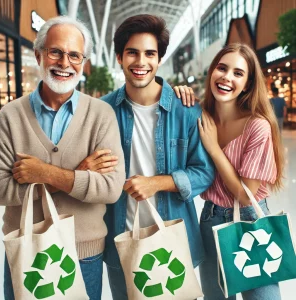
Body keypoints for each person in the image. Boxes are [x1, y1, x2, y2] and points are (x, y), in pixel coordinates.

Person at [0, 16, 125, 300]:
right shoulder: (10, 116)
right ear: (39, 54)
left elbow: (111, 187)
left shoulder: (101, 115)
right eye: (56, 51)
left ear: (83, 62)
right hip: (25, 248)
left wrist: (44, 173)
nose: (65, 63)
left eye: (74, 55)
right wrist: (79, 175)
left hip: (85, 252)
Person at [99, 14, 215, 300]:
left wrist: (157, 183)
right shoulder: (102, 112)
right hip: (121, 238)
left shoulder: (185, 110)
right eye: (132, 53)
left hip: (174, 240)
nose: (141, 62)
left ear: (160, 59)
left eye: (150, 53)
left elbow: (203, 172)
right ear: (119, 57)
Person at [175, 43, 284, 300]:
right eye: (222, 68)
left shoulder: (257, 126)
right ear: (212, 72)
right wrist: (177, 92)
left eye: (238, 73)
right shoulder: (199, 117)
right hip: (210, 220)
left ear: (247, 84)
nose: (226, 77)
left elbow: (246, 195)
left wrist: (214, 148)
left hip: (250, 220)